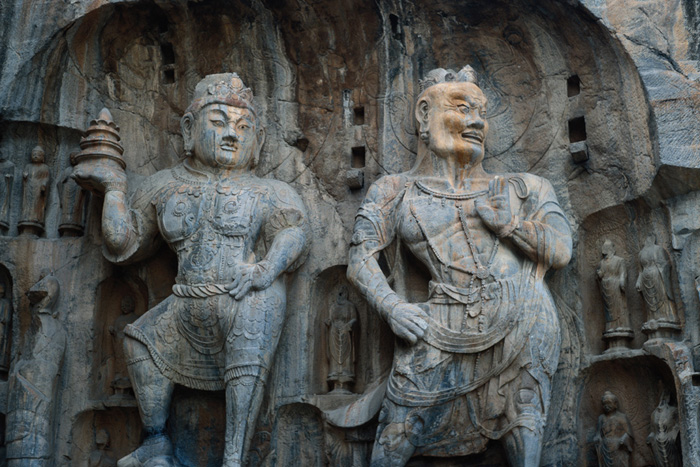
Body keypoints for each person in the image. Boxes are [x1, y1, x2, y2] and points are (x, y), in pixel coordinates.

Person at [74, 73, 309, 467]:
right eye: (217, 122)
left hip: (243, 299)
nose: (231, 134)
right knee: (140, 340)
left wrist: (266, 268)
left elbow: (292, 233)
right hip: (186, 304)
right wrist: (114, 188)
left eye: (243, 127)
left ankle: (233, 458)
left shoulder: (270, 191)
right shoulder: (165, 186)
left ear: (259, 141)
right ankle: (156, 441)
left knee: (260, 308)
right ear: (188, 129)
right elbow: (124, 242)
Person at [347, 66, 572, 466]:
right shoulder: (395, 190)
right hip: (439, 323)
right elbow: (360, 259)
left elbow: (560, 249)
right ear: (423, 114)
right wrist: (392, 306)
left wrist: (510, 225)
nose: (475, 121)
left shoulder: (524, 187)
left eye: (481, 112)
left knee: (524, 422)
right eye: (461, 108)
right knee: (397, 435)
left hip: (523, 314)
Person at [594, 391, 633, 467]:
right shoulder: (601, 418)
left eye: (609, 403)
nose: (606, 406)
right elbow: (598, 434)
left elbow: (629, 434)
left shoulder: (622, 417)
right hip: (605, 448)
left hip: (618, 447)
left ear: (615, 404)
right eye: (604, 404)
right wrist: (597, 437)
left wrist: (624, 438)